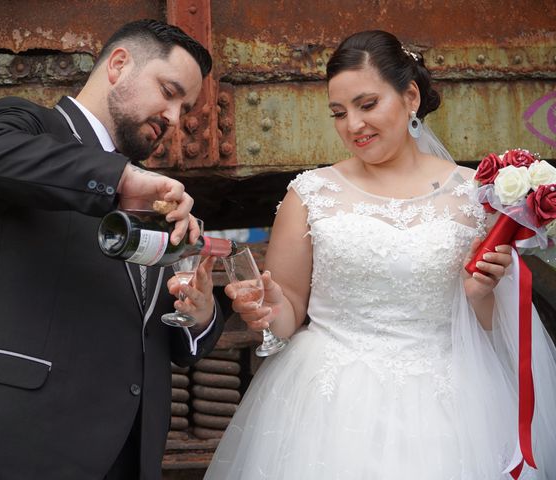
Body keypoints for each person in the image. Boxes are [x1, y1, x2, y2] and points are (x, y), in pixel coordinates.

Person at [205, 30, 556, 479]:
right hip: (328, 404)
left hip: (448, 405)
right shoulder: (311, 194)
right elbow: (288, 309)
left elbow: (496, 331)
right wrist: (268, 309)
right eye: (339, 112)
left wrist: (480, 294)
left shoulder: (474, 197)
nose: (353, 125)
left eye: (367, 105)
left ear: (410, 96)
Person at [0, 19, 226, 480]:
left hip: (129, 454)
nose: (176, 118)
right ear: (119, 65)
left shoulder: (149, 191)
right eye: (169, 90)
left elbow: (145, 325)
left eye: (184, 106)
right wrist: (122, 180)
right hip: (16, 444)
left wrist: (199, 315)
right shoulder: (20, 125)